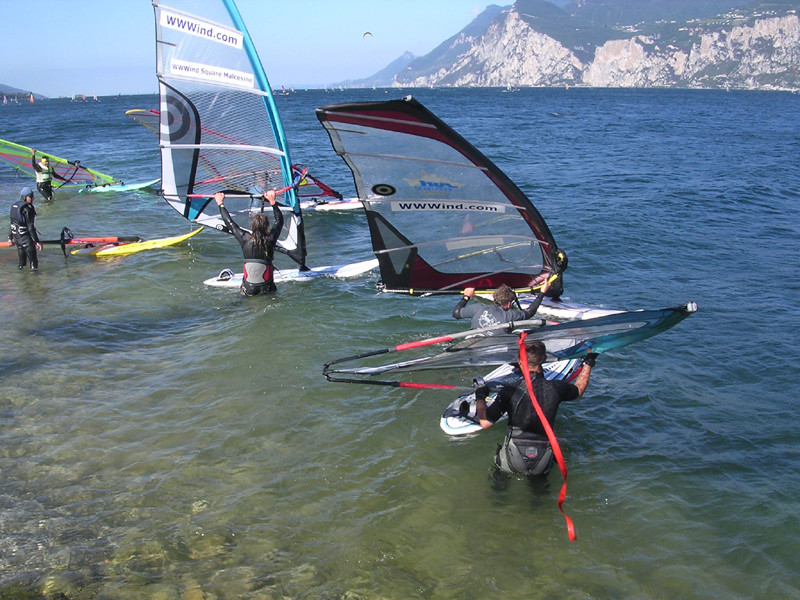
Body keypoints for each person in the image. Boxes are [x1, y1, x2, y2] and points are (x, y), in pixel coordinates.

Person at [474, 340, 597, 476]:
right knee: (540, 493)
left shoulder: (509, 391)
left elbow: (485, 422)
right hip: (542, 459)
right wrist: (589, 363)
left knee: (499, 487)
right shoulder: (556, 387)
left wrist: (480, 396)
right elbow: (579, 390)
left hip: (512, 458)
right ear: (544, 359)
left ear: (519, 360)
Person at [214, 190, 283, 296]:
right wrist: (272, 202)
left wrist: (220, 203)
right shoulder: (270, 239)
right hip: (267, 286)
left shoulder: (245, 238)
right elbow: (279, 220)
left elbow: (229, 223)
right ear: (267, 226)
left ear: (253, 226)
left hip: (249, 287)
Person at [453, 278, 551, 333]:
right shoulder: (511, 315)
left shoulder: (477, 308)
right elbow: (530, 312)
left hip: (472, 340)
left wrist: (466, 297)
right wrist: (542, 293)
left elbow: (456, 313)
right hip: (494, 346)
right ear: (508, 304)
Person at [8, 187, 42, 270]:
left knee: (22, 264)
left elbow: (12, 224)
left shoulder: (15, 206)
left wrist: (10, 238)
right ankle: (34, 281)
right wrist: (37, 241)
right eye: (30, 196)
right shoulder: (27, 209)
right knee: (34, 263)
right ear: (25, 197)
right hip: (25, 239)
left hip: (17, 239)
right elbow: (30, 227)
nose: (32, 198)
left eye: (32, 196)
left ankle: (22, 280)